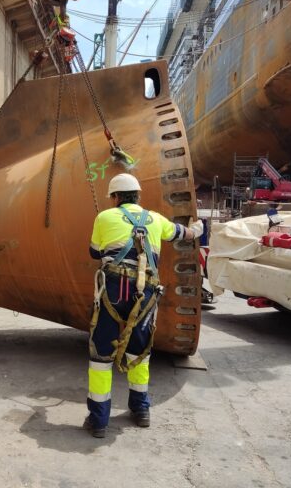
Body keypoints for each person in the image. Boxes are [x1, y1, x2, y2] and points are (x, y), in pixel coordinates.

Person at [84, 173, 203, 438]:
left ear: (115, 198)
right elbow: (181, 234)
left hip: (112, 291)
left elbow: (94, 251)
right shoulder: (156, 219)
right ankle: (141, 411)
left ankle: (99, 420)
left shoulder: (104, 217)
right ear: (138, 196)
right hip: (145, 293)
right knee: (139, 351)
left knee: (101, 355)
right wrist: (198, 230)